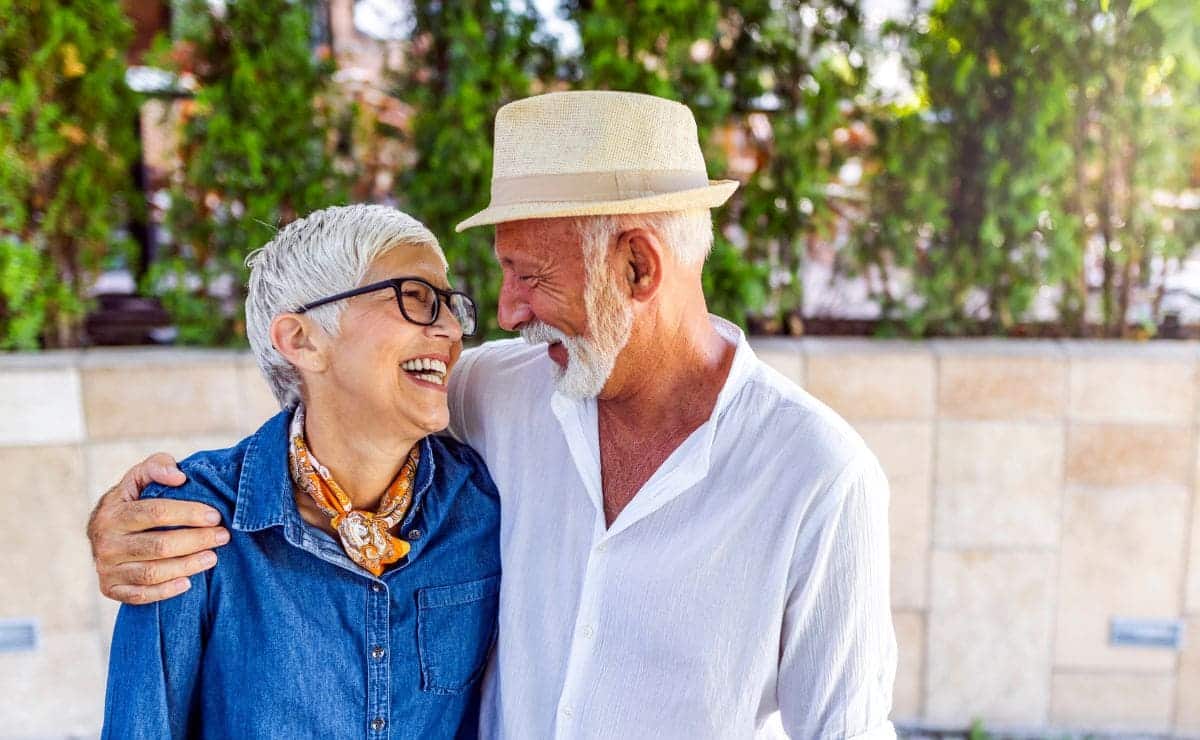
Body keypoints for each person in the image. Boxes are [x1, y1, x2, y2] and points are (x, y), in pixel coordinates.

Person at [90, 91, 896, 738]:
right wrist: (125, 519)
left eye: (530, 276)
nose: (500, 314)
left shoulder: (818, 475)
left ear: (638, 266)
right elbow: (339, 403)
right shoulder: (500, 394)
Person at [100, 204, 501, 739]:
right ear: (301, 339)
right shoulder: (193, 519)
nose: (451, 330)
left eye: (452, 306)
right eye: (417, 299)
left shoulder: (484, 502)